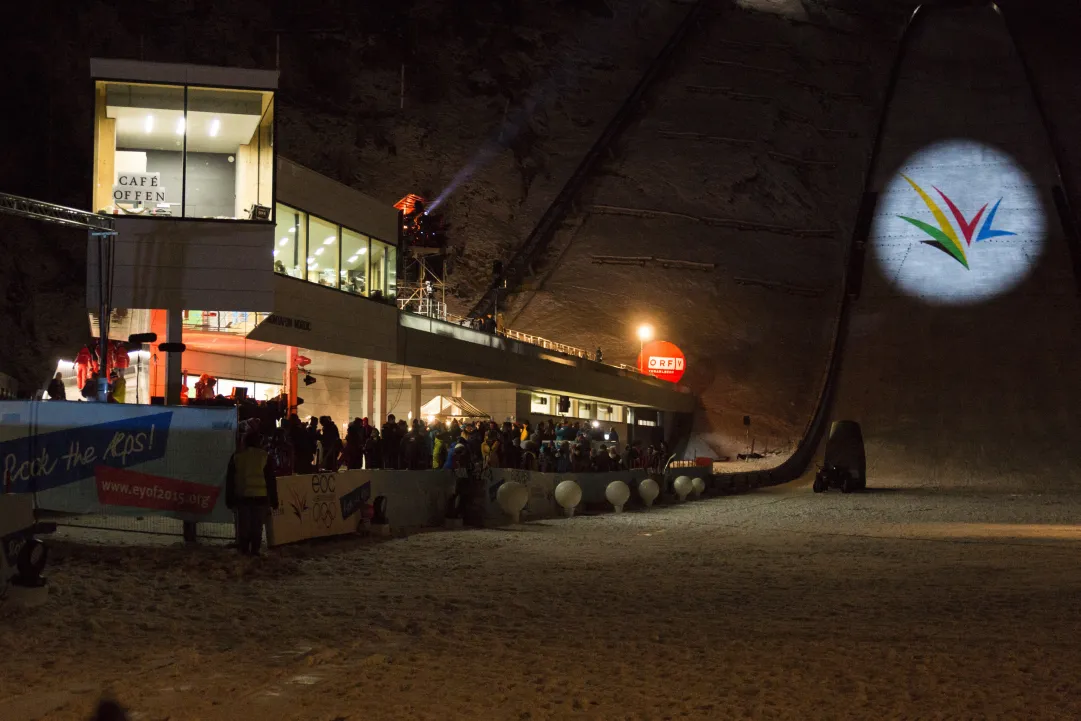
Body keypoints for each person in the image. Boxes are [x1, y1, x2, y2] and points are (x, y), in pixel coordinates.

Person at [226, 429, 279, 556]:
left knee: (244, 525)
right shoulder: (264, 456)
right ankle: (255, 549)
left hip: (242, 496)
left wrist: (229, 498)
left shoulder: (237, 456)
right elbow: (270, 480)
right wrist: (274, 499)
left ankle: (244, 549)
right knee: (257, 525)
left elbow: (230, 479)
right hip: (261, 496)